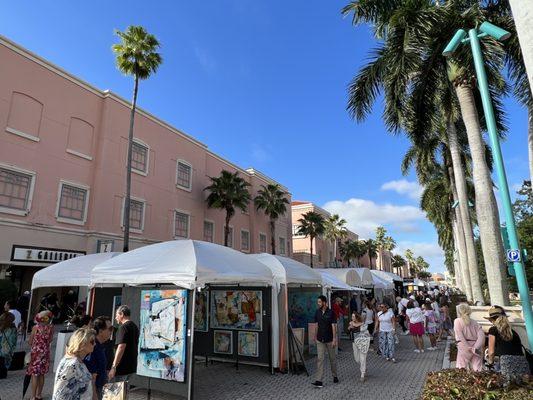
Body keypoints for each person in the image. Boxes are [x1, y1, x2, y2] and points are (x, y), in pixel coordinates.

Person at [485, 306, 529, 384]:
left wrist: (490, 364)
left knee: (509, 388)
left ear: (492, 320)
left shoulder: (493, 330)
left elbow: (491, 352)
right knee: (522, 388)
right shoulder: (513, 332)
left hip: (507, 362)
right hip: (522, 362)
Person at [53, 327, 95, 400]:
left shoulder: (77, 360)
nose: (95, 344)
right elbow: (59, 394)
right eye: (92, 342)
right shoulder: (72, 364)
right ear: (82, 344)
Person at [27, 310, 54, 400]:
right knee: (42, 374)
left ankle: (33, 396)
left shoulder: (36, 327)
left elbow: (30, 341)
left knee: (34, 374)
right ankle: (39, 394)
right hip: (45, 353)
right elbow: (50, 340)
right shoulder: (51, 327)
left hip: (36, 353)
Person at [312, 295, 338, 388]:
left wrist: (334, 339)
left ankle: (334, 375)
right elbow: (316, 325)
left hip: (330, 339)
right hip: (320, 339)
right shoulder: (317, 312)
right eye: (318, 302)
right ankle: (319, 380)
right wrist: (315, 336)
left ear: (324, 302)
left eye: (319, 302)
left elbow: (333, 326)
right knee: (320, 359)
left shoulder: (331, 313)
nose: (318, 303)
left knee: (332, 359)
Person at [84, 316, 113, 399]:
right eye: (110, 329)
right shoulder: (93, 347)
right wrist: (94, 396)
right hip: (94, 389)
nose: (111, 331)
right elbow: (91, 375)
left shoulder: (101, 345)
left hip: (100, 386)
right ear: (100, 331)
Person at [109, 305, 139, 382]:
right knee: (124, 392)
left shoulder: (123, 327)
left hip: (121, 368)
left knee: (116, 392)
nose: (115, 318)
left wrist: (114, 367)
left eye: (116, 315)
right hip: (131, 366)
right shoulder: (134, 327)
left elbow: (121, 347)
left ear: (121, 314)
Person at [453, 303, 484, 371]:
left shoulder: (457, 321)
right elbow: (481, 336)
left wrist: (468, 347)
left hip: (463, 346)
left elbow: (460, 335)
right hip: (476, 347)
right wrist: (475, 347)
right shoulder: (475, 322)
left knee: (461, 367)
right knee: (478, 368)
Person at [348, 312, 371, 382]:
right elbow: (348, 332)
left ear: (357, 317)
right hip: (355, 342)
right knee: (357, 359)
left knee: (362, 358)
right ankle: (363, 367)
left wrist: (354, 327)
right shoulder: (350, 323)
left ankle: (362, 374)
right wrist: (349, 328)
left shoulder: (363, 324)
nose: (352, 318)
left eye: (354, 317)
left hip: (363, 342)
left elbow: (363, 331)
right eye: (352, 317)